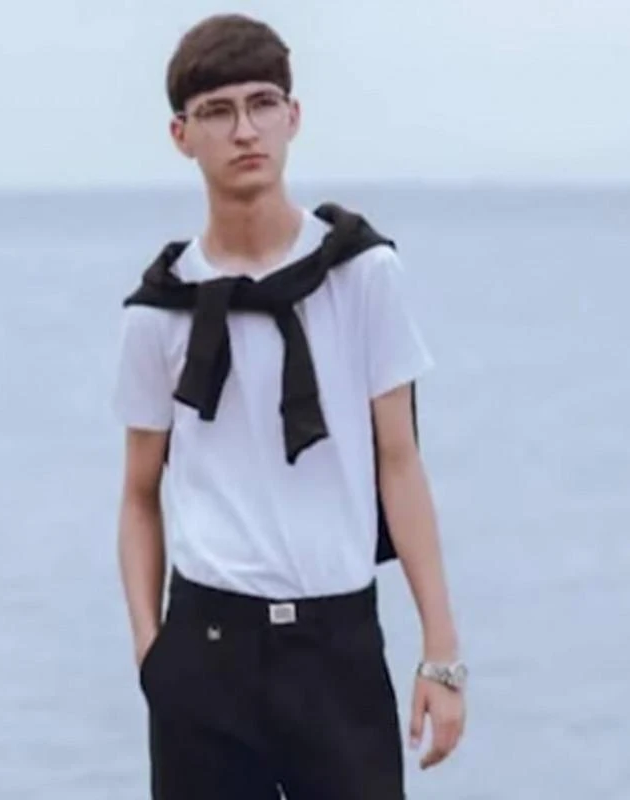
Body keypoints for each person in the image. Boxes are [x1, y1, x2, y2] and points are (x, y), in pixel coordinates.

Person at [111, 13, 466, 799]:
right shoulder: (158, 312)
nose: (245, 130)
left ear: (292, 117)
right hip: (204, 653)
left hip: (337, 650)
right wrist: (151, 656)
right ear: (181, 136)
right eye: (217, 111)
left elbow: (400, 463)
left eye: (262, 103)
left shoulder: (363, 274)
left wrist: (441, 653)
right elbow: (138, 493)